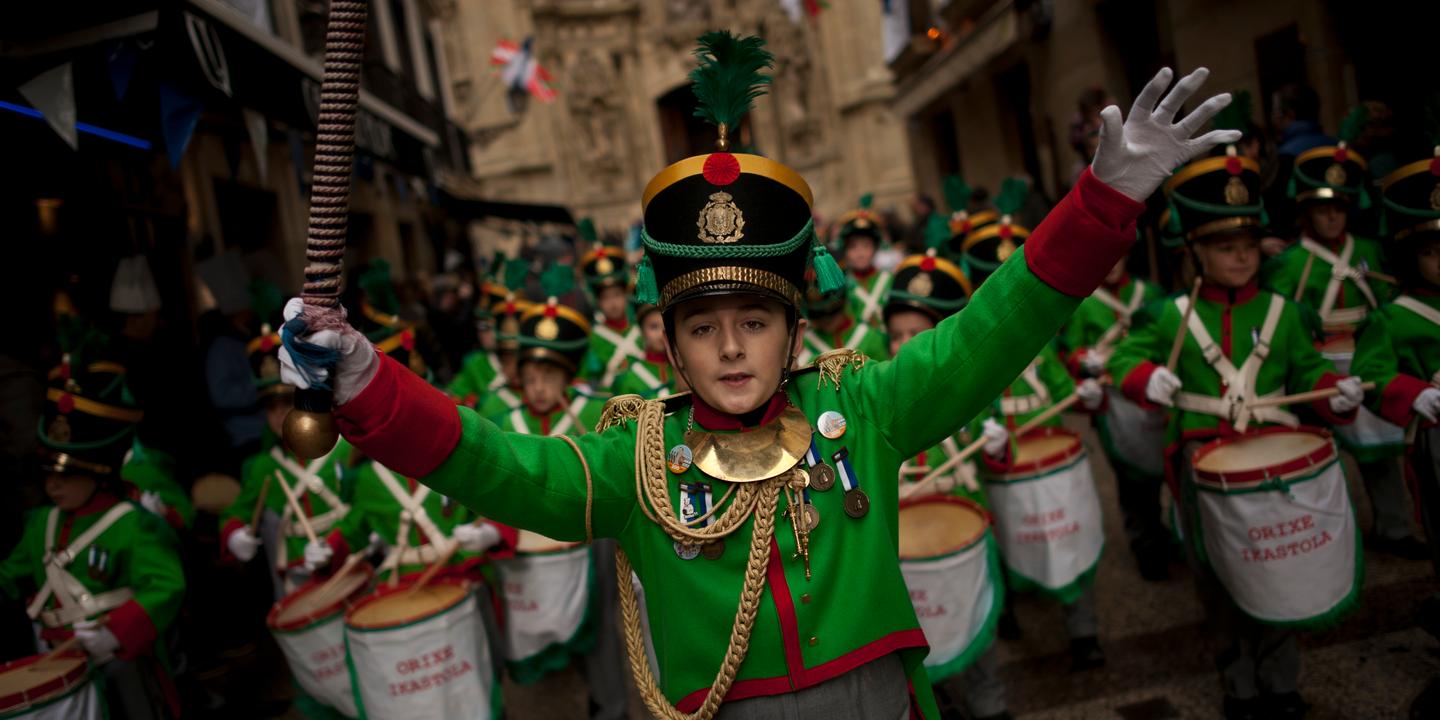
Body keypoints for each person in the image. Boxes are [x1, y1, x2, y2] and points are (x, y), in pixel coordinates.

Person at [279, 33, 1238, 717]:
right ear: (667, 342)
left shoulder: (864, 407)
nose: (731, 348)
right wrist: (368, 385)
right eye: (703, 327)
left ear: (792, 330)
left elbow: (995, 327)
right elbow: (500, 468)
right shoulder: (633, 460)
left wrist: (1102, 202)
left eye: (754, 321)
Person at [1108, 147, 1363, 719]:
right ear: (1195, 249)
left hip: (1276, 458)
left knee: (1278, 568)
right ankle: (1238, 684)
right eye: (1226, 247)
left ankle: (1281, 681)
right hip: (1205, 462)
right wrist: (1145, 378)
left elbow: (1308, 372)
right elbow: (1126, 357)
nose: (1242, 257)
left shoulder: (1283, 312)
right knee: (1219, 577)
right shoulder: (1169, 315)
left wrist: (1334, 393)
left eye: (1249, 246)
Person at [1261, 109, 1422, 559]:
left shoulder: (1370, 251)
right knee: (1321, 458)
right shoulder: (1287, 264)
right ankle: (1329, 537)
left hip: (1368, 363)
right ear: (1305, 210)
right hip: (1316, 368)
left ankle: (1394, 528)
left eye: (1338, 208)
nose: (1332, 218)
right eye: (1321, 209)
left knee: (1384, 456)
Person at [1, 359, 185, 719]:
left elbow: (166, 585)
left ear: (99, 472)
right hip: (56, 660)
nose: (52, 485)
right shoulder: (41, 523)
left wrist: (116, 634)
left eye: (66, 475)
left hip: (121, 656)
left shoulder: (133, 524)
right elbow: (9, 575)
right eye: (48, 474)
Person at [884, 252, 1011, 720]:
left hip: (964, 536)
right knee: (917, 637)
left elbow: (997, 453)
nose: (902, 346)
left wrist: (997, 445)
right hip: (905, 547)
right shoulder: (881, 400)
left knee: (977, 624)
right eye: (895, 336)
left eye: (915, 335)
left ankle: (990, 704)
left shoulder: (971, 395)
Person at [1352, 153, 1440, 653]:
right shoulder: (1395, 318)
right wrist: (1416, 392)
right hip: (1436, 439)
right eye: (1432, 250)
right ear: (1410, 255)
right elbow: (1372, 372)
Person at [219, 323, 355, 598]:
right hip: (300, 578)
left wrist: (337, 543)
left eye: (286, 402)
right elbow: (235, 514)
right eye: (270, 407)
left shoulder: (345, 448)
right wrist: (233, 535)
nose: (278, 414)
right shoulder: (263, 467)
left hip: (351, 563)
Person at [1060, 258, 1168, 579]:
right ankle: (1147, 546)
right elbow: (1070, 352)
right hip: (1115, 402)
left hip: (1153, 393)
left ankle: (1169, 535)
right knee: (1131, 479)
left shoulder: (1149, 292)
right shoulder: (1082, 303)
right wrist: (1085, 361)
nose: (1110, 264)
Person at [579, 222, 644, 391]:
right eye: (605, 298)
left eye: (617, 295)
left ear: (626, 294)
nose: (613, 303)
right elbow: (590, 381)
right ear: (597, 302)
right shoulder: (594, 338)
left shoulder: (642, 327)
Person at [795, 271, 891, 366]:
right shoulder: (805, 342)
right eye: (818, 317)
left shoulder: (871, 337)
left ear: (843, 305)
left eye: (831, 317)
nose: (824, 321)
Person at [833, 195, 892, 327]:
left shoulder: (890, 279)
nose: (860, 253)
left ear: (876, 248)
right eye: (852, 247)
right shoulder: (840, 285)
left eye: (866, 246)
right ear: (844, 250)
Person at [612, 302, 682, 398]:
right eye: (654, 326)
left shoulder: (684, 369)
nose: (662, 333)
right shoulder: (628, 377)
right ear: (642, 331)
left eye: (666, 325)